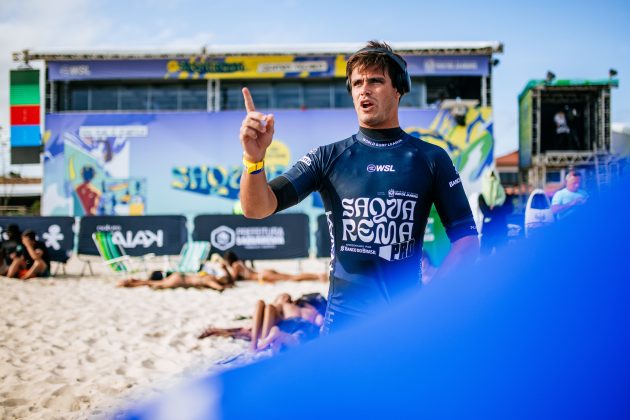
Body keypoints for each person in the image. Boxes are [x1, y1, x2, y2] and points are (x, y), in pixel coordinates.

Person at [238, 40, 479, 334]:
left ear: (398, 89)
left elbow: (467, 242)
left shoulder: (431, 158)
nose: (364, 89)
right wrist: (253, 159)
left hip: (405, 329)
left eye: (376, 81)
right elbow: (257, 207)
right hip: (342, 331)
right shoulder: (327, 157)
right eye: (357, 83)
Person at [199, 292, 327, 353]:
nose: (284, 297)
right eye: (281, 296)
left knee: (265, 309)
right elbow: (321, 324)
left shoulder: (288, 306)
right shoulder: (310, 312)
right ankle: (258, 342)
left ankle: (256, 343)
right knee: (262, 304)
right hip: (296, 326)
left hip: (289, 326)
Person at [222, 251, 326, 283]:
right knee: (293, 276)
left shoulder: (235, 265)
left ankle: (318, 276)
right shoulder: (240, 262)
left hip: (262, 276)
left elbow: (233, 279)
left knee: (293, 278)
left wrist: (225, 268)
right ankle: (317, 275)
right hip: (263, 272)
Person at [478, 169, 512, 256]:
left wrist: (494, 208)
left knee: (502, 259)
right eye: (490, 178)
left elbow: (510, 209)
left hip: (501, 231)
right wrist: (499, 209)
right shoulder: (482, 197)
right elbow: (486, 212)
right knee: (485, 259)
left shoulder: (503, 195)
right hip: (488, 232)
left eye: (494, 178)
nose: (492, 181)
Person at [117, 267, 234, 292]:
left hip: (180, 276)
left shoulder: (209, 276)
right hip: (180, 281)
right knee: (152, 283)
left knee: (152, 282)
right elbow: (219, 288)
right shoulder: (210, 280)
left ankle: (131, 281)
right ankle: (128, 283)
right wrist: (226, 287)